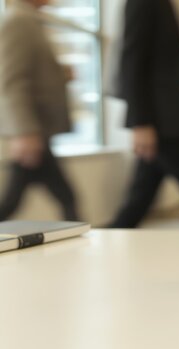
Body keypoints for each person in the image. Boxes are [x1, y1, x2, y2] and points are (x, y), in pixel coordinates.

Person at [109, 0, 179, 228]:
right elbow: (132, 61)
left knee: (139, 200)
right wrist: (140, 122)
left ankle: (100, 248)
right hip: (163, 119)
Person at [0, 0, 79, 221]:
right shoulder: (18, 21)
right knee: (65, 198)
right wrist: (24, 132)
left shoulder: (30, 21)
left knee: (64, 197)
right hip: (32, 133)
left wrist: (60, 74)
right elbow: (12, 82)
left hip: (38, 132)